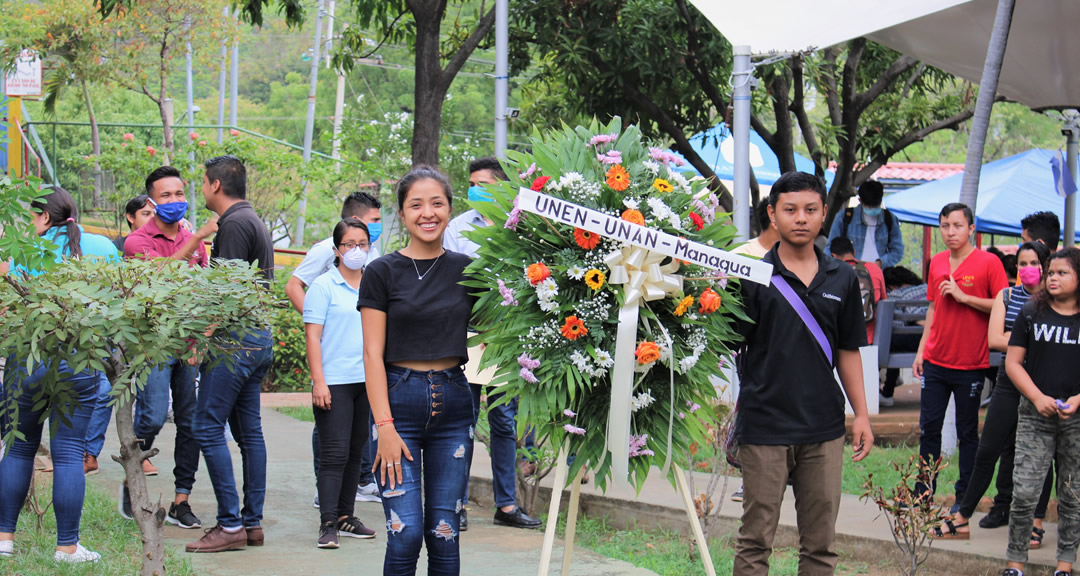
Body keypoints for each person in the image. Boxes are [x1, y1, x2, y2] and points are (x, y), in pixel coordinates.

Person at [733, 171, 874, 576]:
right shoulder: (752, 275)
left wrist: (861, 415)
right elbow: (729, 342)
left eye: (810, 210)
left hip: (823, 428)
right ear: (772, 216)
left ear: (824, 215)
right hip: (765, 426)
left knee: (820, 545)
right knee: (756, 540)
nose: (801, 218)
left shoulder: (842, 277)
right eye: (790, 210)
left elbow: (848, 350)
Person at [359, 166, 476, 575]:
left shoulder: (468, 270)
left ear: (449, 209)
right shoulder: (381, 271)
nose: (428, 213)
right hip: (397, 404)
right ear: (403, 213)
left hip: (455, 405)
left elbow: (502, 327)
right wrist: (384, 426)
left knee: (445, 533)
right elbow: (372, 355)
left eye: (437, 203)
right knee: (404, 532)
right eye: (416, 205)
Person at [0, 187, 119, 564]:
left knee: (18, 448)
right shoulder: (102, 247)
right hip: (78, 361)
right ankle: (67, 547)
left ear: (44, 218)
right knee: (68, 453)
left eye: (33, 218)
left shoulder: (28, 252)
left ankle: (3, 539)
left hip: (28, 359)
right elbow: (117, 304)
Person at [934, 242, 1055, 547]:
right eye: (1022, 262)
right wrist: (1031, 342)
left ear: (1046, 265)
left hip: (1045, 385)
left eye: (1034, 262)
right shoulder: (1007, 296)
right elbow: (993, 339)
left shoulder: (1056, 301)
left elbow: (1009, 339)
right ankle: (961, 519)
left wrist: (1015, 341)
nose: (1027, 268)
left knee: (1040, 456)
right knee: (987, 450)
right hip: (1008, 382)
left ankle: (1036, 523)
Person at [118, 166, 218, 530]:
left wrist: (202, 339)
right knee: (153, 415)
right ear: (151, 201)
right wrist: (196, 241)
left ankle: (181, 499)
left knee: (190, 423)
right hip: (153, 344)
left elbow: (204, 291)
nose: (175, 201)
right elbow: (158, 279)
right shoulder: (137, 242)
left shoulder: (195, 240)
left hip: (189, 345)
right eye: (166, 196)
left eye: (179, 194)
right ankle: (131, 480)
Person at [443, 156, 540, 531]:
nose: (474, 190)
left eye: (482, 183)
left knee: (504, 421)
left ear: (501, 186)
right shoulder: (457, 228)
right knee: (462, 421)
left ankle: (506, 506)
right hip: (467, 335)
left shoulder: (522, 226)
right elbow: (455, 279)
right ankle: (457, 503)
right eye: (471, 183)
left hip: (506, 337)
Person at [186, 155, 275, 553]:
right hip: (256, 339)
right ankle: (251, 523)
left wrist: (203, 339)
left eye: (203, 183)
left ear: (215, 185)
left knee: (206, 426)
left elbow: (228, 293)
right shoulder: (251, 219)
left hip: (236, 342)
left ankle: (230, 524)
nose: (201, 189)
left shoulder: (234, 224)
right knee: (248, 433)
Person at [285, 191, 383, 507]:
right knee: (331, 437)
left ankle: (355, 490)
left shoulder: (374, 260)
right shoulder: (324, 254)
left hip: (363, 370)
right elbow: (294, 285)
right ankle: (325, 494)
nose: (374, 231)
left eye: (366, 239)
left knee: (357, 439)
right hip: (333, 368)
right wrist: (320, 322)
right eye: (374, 221)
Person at [913, 203, 1009, 505]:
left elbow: (1002, 304)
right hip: (935, 360)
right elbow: (932, 308)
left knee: (968, 433)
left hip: (970, 363)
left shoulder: (988, 262)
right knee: (929, 430)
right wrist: (920, 352)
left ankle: (964, 497)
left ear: (971, 228)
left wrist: (965, 297)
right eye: (945, 226)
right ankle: (923, 494)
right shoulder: (937, 262)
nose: (950, 232)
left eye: (957, 225)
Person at [999, 247, 1080, 576]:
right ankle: (1015, 564)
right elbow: (1013, 362)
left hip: (1075, 419)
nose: (1053, 278)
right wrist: (1037, 397)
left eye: (1063, 273)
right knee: (1025, 492)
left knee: (1072, 494)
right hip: (1035, 416)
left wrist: (1077, 399)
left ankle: (1065, 565)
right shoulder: (1032, 312)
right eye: (1051, 273)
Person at [304, 217, 378, 548]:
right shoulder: (323, 287)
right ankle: (328, 523)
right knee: (333, 453)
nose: (357, 250)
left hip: (368, 381)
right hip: (334, 381)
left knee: (356, 451)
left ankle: (347, 515)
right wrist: (318, 381)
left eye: (362, 244)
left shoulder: (374, 285)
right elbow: (313, 337)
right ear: (336, 250)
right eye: (349, 244)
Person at [84, 194, 157, 476]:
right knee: (106, 392)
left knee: (151, 402)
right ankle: (90, 453)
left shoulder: (160, 246)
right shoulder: (115, 249)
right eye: (146, 213)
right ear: (130, 217)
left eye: (154, 213)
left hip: (151, 336)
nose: (152, 218)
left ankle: (140, 451)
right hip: (116, 333)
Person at [826, 180, 904, 268]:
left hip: (880, 274)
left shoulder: (889, 219)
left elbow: (898, 251)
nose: (872, 208)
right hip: (850, 273)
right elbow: (829, 249)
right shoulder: (844, 217)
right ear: (860, 200)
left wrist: (881, 263)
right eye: (869, 206)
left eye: (875, 205)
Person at [880, 266, 928, 405]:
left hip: (916, 337)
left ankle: (888, 391)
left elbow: (896, 326)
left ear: (891, 284)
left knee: (885, 343)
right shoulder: (927, 287)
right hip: (936, 336)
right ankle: (891, 385)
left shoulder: (896, 294)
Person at [829, 236, 887, 345]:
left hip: (840, 342)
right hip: (870, 340)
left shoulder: (831, 272)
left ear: (833, 256)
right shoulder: (874, 269)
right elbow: (884, 301)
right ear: (854, 252)